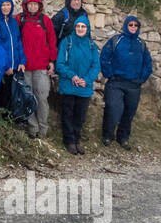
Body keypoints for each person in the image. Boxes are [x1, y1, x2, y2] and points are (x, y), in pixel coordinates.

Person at [100, 14, 153, 150]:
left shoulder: (141, 44)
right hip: (116, 82)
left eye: (136, 25)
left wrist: (142, 78)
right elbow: (104, 57)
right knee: (112, 108)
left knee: (129, 112)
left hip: (134, 84)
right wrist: (109, 74)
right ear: (126, 26)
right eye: (131, 25)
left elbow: (148, 63)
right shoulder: (116, 40)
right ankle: (107, 135)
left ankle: (123, 137)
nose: (133, 27)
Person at [56, 15, 100, 155]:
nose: (80, 29)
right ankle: (69, 141)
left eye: (83, 26)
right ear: (75, 27)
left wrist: (86, 80)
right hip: (68, 85)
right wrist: (73, 76)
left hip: (83, 87)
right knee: (68, 114)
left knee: (80, 116)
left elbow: (95, 66)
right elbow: (60, 64)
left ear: (87, 29)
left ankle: (76, 140)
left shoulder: (91, 45)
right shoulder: (66, 42)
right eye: (78, 26)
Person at [17, 0, 57, 139]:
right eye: (30, 4)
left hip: (41, 67)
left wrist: (52, 61)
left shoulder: (45, 21)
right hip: (25, 67)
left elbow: (52, 42)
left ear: (39, 6)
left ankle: (43, 129)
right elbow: (16, 41)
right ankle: (32, 128)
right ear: (26, 5)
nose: (33, 6)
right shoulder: (20, 20)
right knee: (29, 98)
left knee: (42, 98)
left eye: (35, 4)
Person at [0, 0, 26, 118]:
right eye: (3, 5)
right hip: (4, 68)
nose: (6, 7)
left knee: (14, 96)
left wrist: (22, 61)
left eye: (8, 4)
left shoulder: (13, 22)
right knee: (3, 96)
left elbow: (18, 42)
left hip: (15, 66)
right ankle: (3, 124)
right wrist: (5, 66)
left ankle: (12, 121)